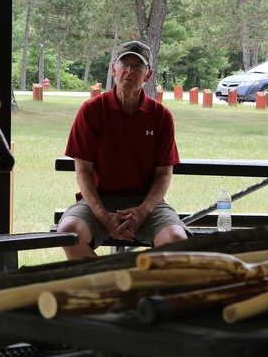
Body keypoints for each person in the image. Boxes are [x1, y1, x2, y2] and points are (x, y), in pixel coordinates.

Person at [57, 40, 188, 258]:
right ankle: (110, 285)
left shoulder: (161, 116)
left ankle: (142, 289)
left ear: (148, 75)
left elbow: (164, 173)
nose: (130, 70)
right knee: (68, 232)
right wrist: (102, 215)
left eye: (138, 66)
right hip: (98, 200)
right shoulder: (92, 111)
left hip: (146, 203)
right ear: (113, 69)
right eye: (124, 63)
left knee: (176, 242)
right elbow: (83, 171)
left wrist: (143, 211)